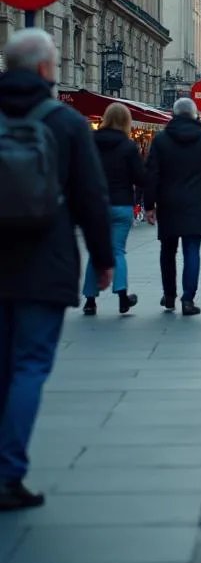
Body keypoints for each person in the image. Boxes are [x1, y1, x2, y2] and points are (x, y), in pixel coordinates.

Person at [0, 29, 113, 510]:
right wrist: (105, 260)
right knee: (28, 366)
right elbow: (91, 196)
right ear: (48, 70)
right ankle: (8, 475)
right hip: (45, 262)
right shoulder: (65, 122)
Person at [144, 98, 201, 316]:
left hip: (168, 202)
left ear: (173, 114)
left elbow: (152, 174)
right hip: (195, 202)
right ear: (195, 115)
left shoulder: (160, 140)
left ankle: (169, 295)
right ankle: (188, 299)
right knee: (191, 250)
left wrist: (149, 205)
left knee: (167, 251)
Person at [83, 102, 145, 316]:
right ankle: (122, 297)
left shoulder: (90, 141)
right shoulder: (128, 146)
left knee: (95, 250)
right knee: (117, 250)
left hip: (96, 204)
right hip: (121, 203)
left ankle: (90, 300)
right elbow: (139, 177)